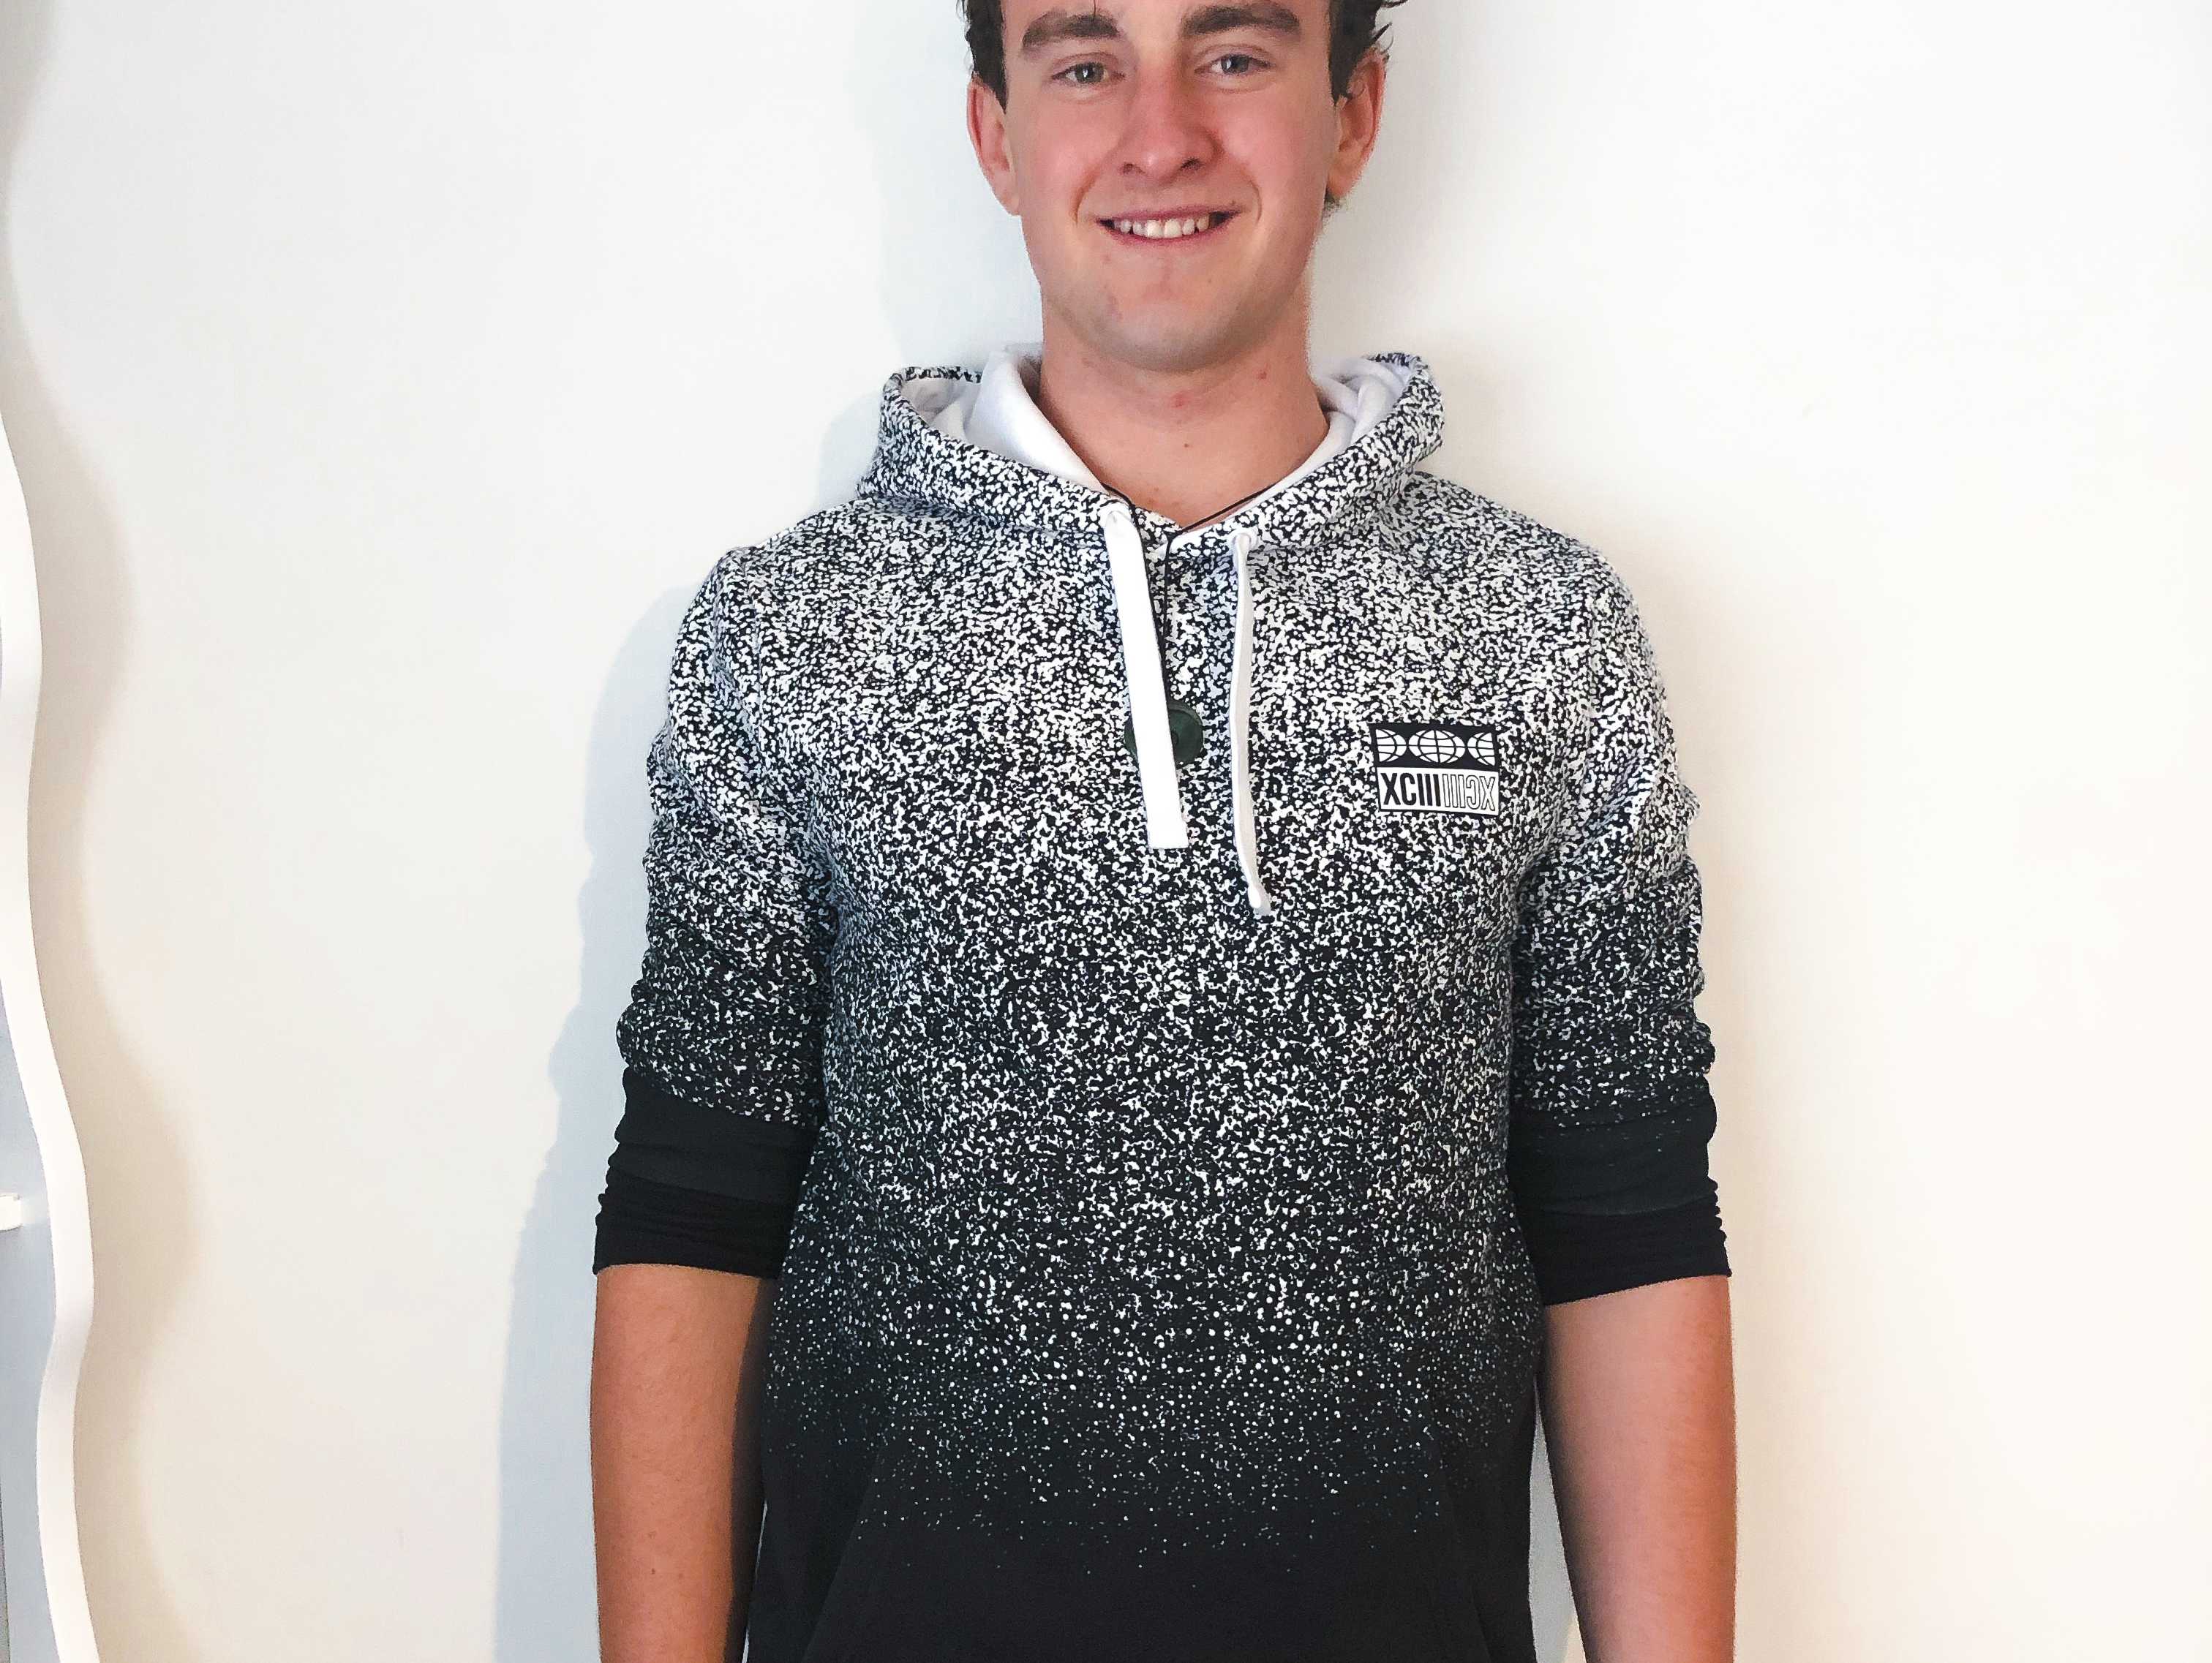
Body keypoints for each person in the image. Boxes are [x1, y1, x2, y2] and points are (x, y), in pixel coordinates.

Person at [588, 2, 1737, 1659]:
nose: (1159, 133)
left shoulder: (1540, 627)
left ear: (1352, 116)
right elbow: (695, 1203)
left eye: (1235, 54)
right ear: (997, 134)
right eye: (1084, 62)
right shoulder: (792, 631)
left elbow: (1625, 1210)